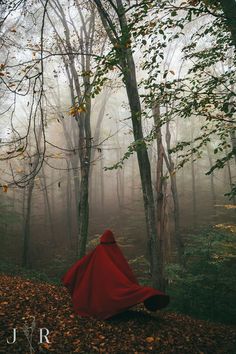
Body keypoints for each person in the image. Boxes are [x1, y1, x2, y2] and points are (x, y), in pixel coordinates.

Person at [62, 229, 169, 320]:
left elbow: (80, 266)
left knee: (137, 292)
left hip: (109, 293)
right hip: (112, 293)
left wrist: (69, 278)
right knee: (137, 292)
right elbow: (126, 271)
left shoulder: (98, 252)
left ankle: (150, 297)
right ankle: (149, 296)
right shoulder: (111, 251)